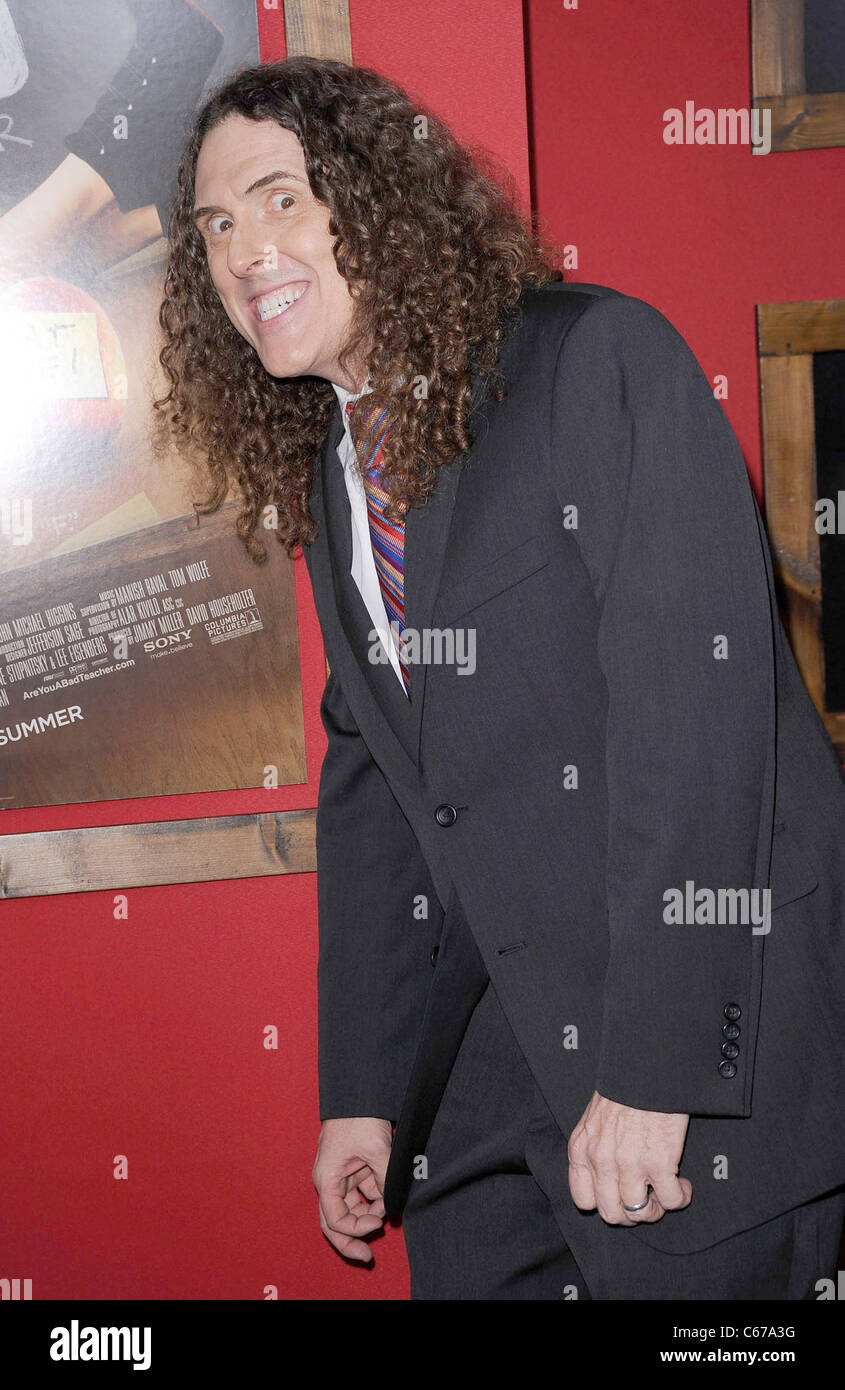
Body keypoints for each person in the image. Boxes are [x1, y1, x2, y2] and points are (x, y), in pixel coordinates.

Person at [155, 56, 845, 1300]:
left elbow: (699, 721)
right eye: (214, 224)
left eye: (277, 198)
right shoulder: (334, 469)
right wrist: (364, 1094)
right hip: (487, 1113)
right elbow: (376, 785)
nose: (243, 248)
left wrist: (656, 1067)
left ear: (377, 200)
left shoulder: (595, 360)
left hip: (686, 1093)